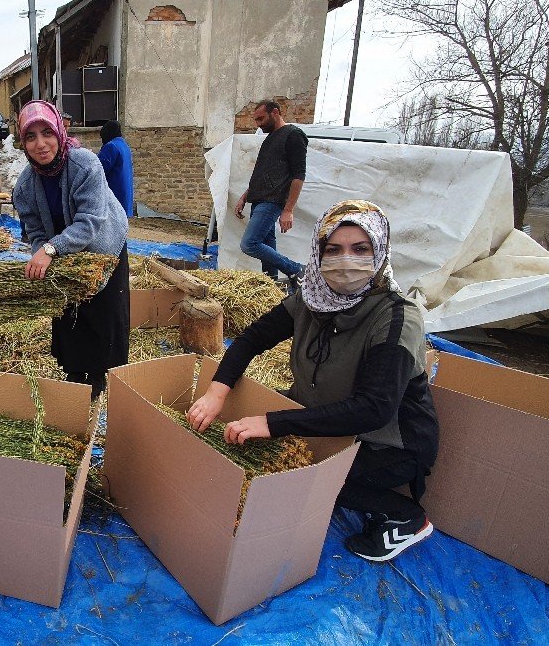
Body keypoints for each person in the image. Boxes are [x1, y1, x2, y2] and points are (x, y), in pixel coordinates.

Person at [187, 200, 439, 562]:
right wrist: (216, 392)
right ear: (318, 253)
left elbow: (374, 409)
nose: (346, 261)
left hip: (388, 441)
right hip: (322, 413)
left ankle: (407, 518)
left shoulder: (396, 318)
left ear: (379, 252)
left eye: (360, 249)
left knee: (309, 475)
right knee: (246, 438)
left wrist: (273, 423)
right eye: (333, 250)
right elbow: (250, 339)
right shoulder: (311, 298)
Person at [13, 100, 130, 400]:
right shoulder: (25, 186)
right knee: (68, 309)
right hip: (61, 250)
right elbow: (35, 230)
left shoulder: (85, 164)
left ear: (59, 131)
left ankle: (101, 372)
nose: (40, 144)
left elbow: (90, 221)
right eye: (31, 136)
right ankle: (75, 368)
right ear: (23, 142)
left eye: (46, 133)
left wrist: (51, 249)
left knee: (103, 309)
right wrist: (43, 251)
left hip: (103, 241)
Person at [234, 100, 307, 285]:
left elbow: (299, 175)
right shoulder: (269, 139)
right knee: (266, 247)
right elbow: (262, 174)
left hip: (272, 201)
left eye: (261, 118)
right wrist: (244, 197)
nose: (258, 124)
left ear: (275, 112)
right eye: (256, 120)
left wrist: (288, 210)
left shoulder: (293, 135)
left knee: (249, 244)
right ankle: (271, 286)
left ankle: (295, 269)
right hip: (259, 200)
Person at [97, 120, 135, 217]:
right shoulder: (124, 145)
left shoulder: (111, 146)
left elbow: (99, 170)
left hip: (114, 194)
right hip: (125, 195)